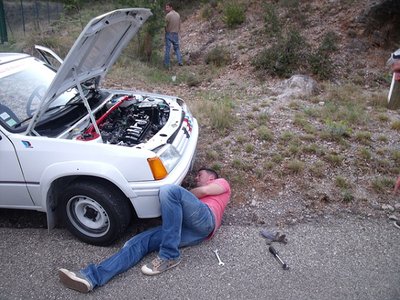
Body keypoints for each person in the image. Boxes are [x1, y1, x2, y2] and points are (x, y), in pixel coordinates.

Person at [58, 167, 231, 293]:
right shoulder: (197, 201)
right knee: (139, 242)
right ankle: (90, 277)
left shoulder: (221, 184)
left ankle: (170, 255)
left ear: (211, 177)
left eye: (200, 175)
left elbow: (202, 191)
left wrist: (181, 194)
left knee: (169, 190)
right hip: (192, 233)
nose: (196, 178)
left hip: (206, 220)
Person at [164, 2, 183, 68]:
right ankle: (180, 61)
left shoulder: (168, 15)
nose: (166, 9)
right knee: (177, 49)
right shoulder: (178, 15)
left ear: (171, 7)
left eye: (167, 7)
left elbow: (165, 25)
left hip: (169, 33)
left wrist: (166, 31)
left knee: (167, 49)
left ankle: (167, 64)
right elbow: (179, 24)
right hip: (175, 33)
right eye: (166, 7)